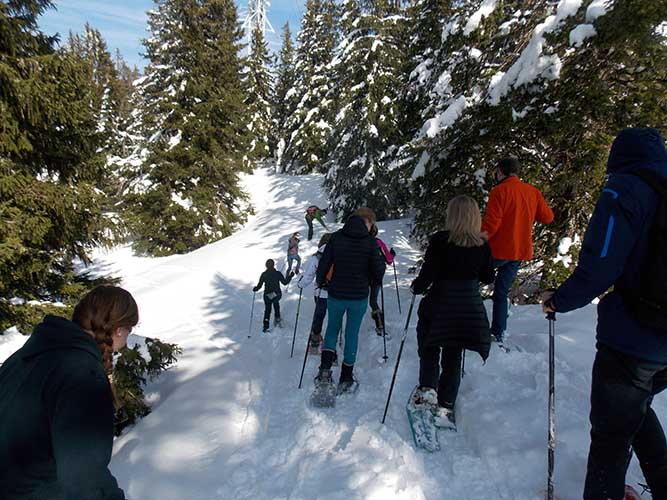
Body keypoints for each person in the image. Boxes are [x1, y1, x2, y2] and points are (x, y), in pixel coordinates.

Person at [542, 128, 667, 500]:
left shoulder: (625, 190)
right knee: (635, 408)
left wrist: (559, 300)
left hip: (634, 334)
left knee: (611, 435)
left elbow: (601, 265)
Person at [0, 285, 138, 500]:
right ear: (119, 329)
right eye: (130, 329)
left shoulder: (26, 356)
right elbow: (83, 478)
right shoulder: (83, 375)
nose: (127, 341)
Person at [410, 196, 495, 429]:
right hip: (468, 307)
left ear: (452, 215)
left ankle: (428, 392)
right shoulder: (482, 244)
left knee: (429, 346)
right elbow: (489, 277)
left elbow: (428, 273)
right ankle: (446, 404)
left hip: (440, 302)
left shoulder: (441, 241)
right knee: (453, 353)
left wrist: (417, 287)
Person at [481, 157, 554, 343]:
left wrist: (476, 239)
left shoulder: (499, 191)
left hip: (498, 250)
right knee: (501, 292)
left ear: (501, 171)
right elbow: (547, 217)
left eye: (496, 171)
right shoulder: (532, 192)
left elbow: (492, 224)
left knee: (472, 283)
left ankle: (473, 326)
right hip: (519, 251)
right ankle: (498, 332)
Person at [314, 207, 385, 393]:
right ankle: (346, 377)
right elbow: (378, 272)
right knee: (351, 334)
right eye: (372, 224)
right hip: (359, 296)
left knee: (332, 329)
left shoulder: (336, 237)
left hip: (336, 293)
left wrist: (320, 282)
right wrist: (373, 278)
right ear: (366, 222)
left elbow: (324, 263)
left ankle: (324, 371)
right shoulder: (370, 242)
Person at [297, 233, 332, 354]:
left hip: (321, 292)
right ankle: (331, 347)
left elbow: (309, 276)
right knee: (334, 319)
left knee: (319, 316)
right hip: (336, 293)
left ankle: (315, 343)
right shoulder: (340, 254)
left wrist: (300, 284)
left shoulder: (317, 257)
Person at [368, 224, 396, 335]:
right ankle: (380, 324)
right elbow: (389, 260)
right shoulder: (379, 242)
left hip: (363, 275)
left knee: (360, 298)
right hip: (377, 275)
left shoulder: (361, 242)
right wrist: (392, 254)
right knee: (373, 300)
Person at [253, 259, 294, 332]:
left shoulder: (264, 274)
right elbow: (285, 282)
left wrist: (255, 289)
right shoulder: (277, 273)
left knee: (267, 310)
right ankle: (277, 318)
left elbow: (259, 286)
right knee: (276, 303)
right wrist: (290, 276)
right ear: (273, 265)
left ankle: (266, 326)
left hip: (267, 295)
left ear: (266, 266)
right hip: (277, 294)